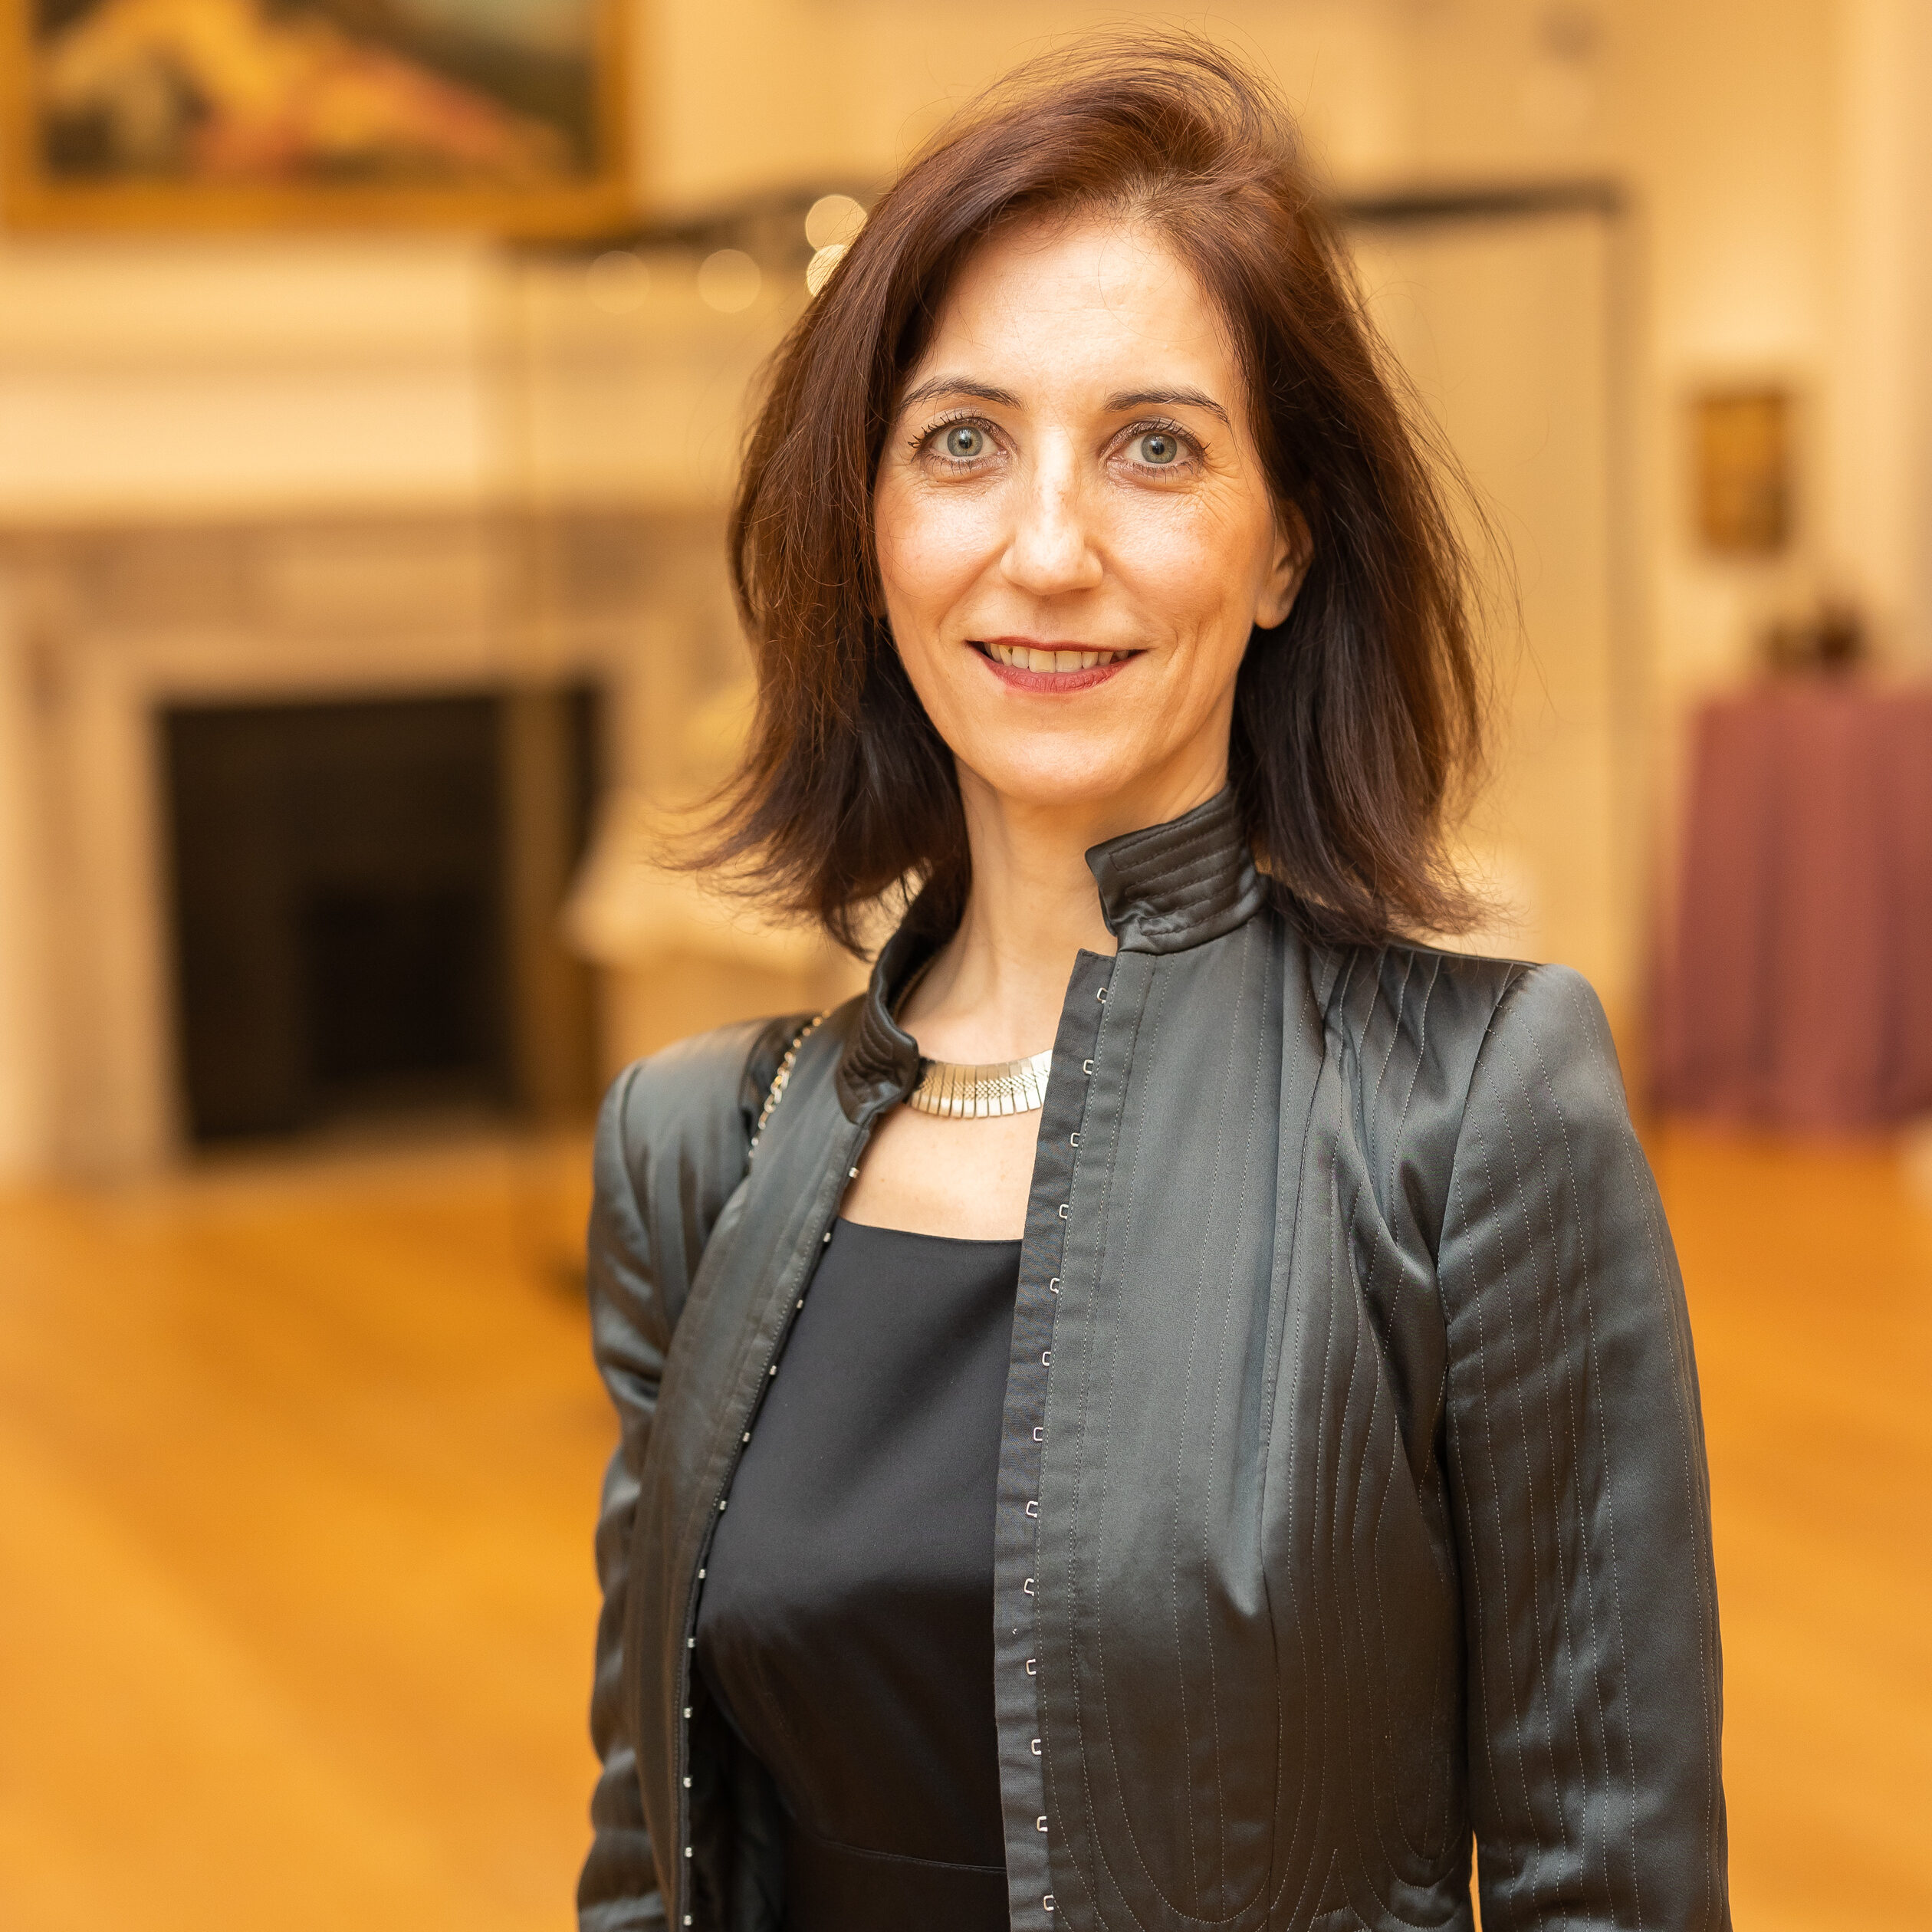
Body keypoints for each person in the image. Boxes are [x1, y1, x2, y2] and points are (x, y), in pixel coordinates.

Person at [578, 37, 1730, 1932]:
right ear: (870, 535)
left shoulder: (1471, 1109)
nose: (1047, 549)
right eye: (962, 442)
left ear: (1283, 543)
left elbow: (1608, 1881)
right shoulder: (700, 1145)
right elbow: (653, 1856)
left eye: (1155, 447)